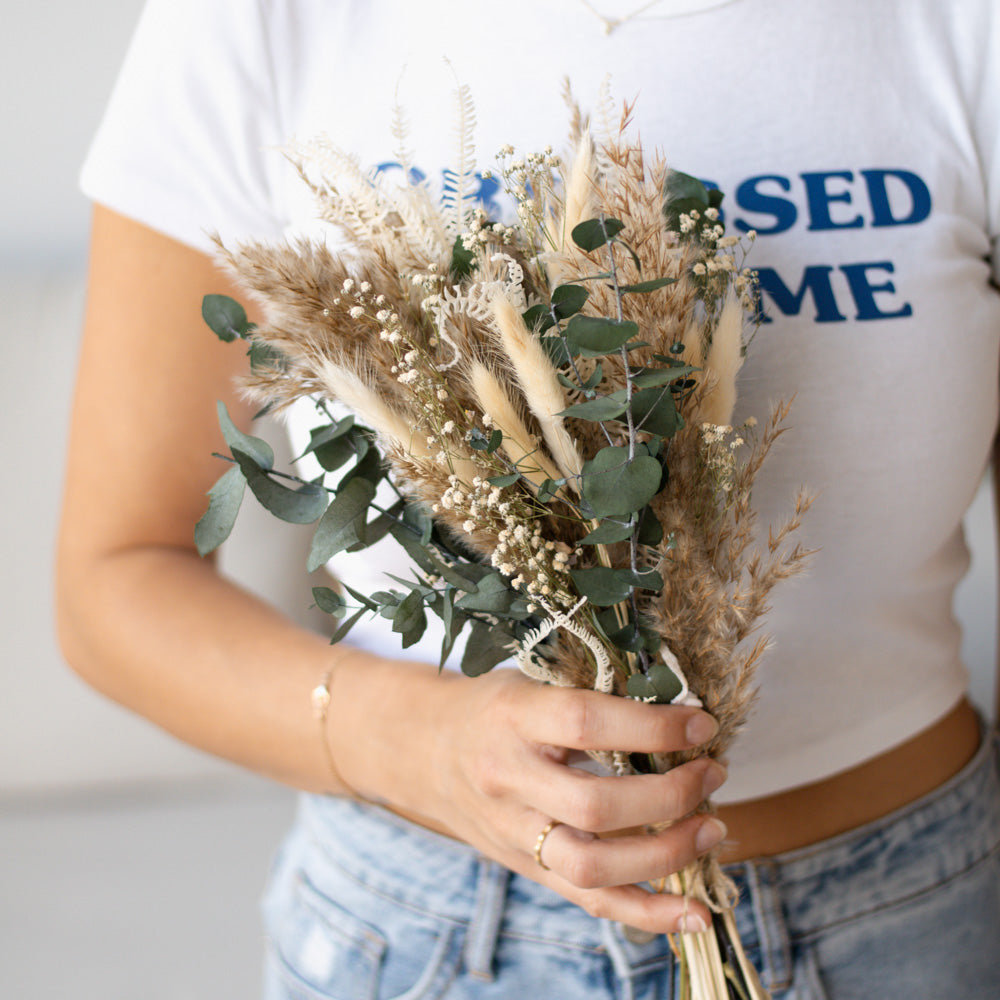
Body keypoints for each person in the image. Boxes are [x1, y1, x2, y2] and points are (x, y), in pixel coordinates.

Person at [58, 1, 1000, 997]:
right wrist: (414, 740)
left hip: (907, 920)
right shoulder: (259, 19)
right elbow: (113, 578)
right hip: (429, 940)